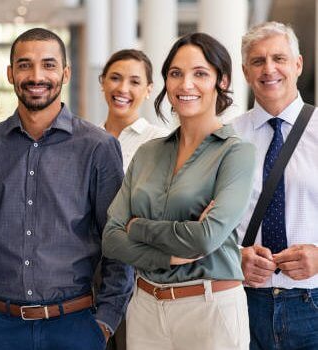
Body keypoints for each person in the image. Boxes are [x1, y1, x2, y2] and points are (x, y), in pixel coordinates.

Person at [0, 27, 133, 350]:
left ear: (65, 73)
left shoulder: (98, 148)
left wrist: (104, 323)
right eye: (25, 65)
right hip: (0, 329)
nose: (36, 76)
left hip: (76, 328)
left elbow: (118, 244)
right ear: (10, 73)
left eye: (49, 65)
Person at [102, 32, 256, 350]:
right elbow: (112, 239)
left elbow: (206, 238)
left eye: (200, 74)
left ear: (222, 81)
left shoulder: (236, 152)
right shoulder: (148, 152)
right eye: (176, 74)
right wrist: (168, 255)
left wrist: (138, 227)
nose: (186, 85)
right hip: (145, 306)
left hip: (210, 308)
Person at [231, 21, 318, 350]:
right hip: (242, 304)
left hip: (313, 305)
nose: (269, 69)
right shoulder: (226, 139)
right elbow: (205, 226)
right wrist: (235, 256)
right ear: (245, 71)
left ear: (298, 65)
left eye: (279, 58)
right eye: (258, 61)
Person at [100, 49, 169, 171]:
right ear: (103, 82)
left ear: (148, 89)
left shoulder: (161, 141)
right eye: (115, 78)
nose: (123, 89)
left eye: (134, 82)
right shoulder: (86, 139)